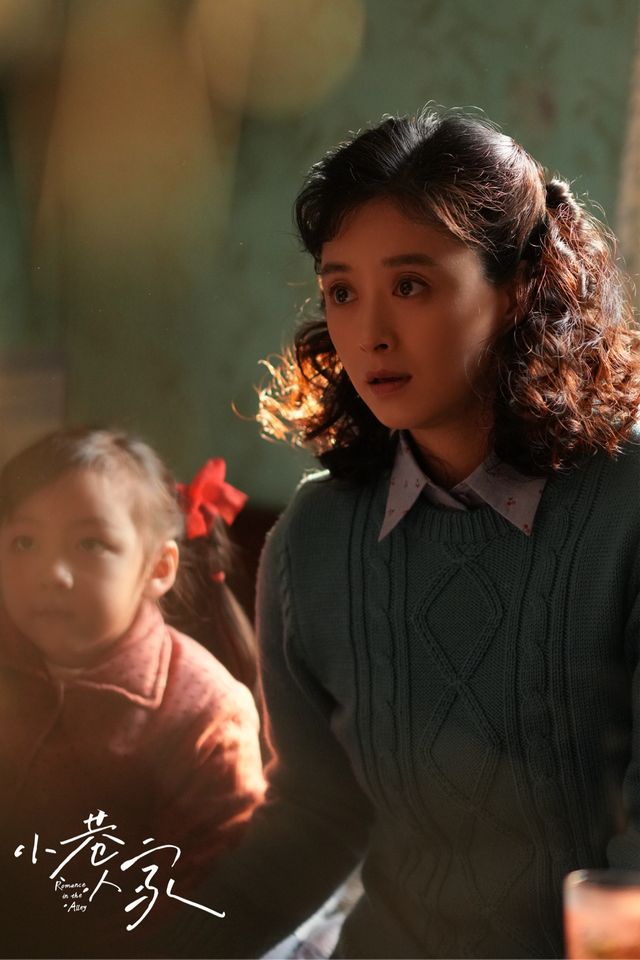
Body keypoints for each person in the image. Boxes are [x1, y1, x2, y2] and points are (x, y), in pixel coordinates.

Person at [158, 107, 640, 959]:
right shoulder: (315, 538)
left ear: (520, 284)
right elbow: (317, 815)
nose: (370, 333)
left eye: (411, 285)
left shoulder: (626, 507)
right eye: (342, 291)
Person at [0, 427, 265, 959]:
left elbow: (213, 895)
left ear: (158, 568)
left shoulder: (206, 712)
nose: (51, 573)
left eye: (90, 544)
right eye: (24, 542)